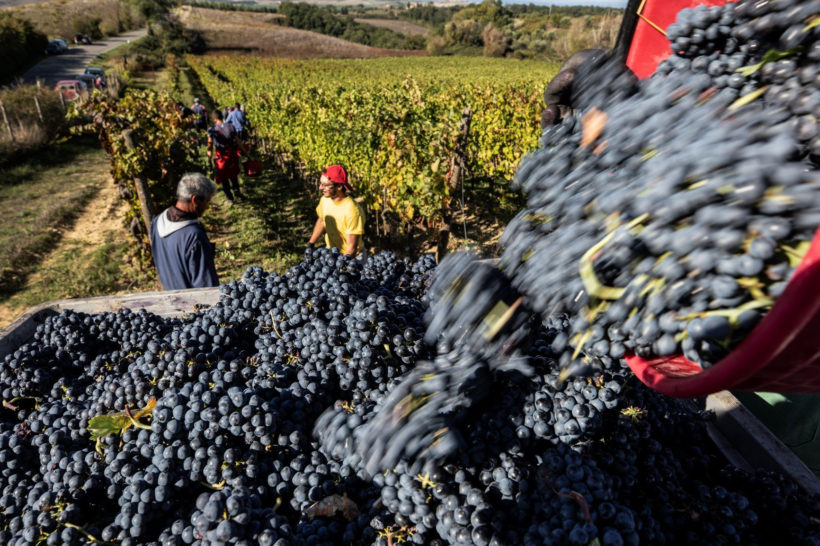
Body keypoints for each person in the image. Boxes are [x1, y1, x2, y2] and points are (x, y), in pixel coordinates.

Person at [150, 172, 219, 290]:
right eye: (207, 201)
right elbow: (206, 287)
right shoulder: (193, 236)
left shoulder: (157, 222)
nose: (207, 207)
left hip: (172, 300)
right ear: (195, 199)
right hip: (195, 304)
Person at [307, 165, 365, 257]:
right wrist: (311, 244)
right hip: (332, 252)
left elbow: (351, 249)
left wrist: (340, 265)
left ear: (339, 186)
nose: (320, 188)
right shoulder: (325, 200)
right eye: (321, 184)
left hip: (352, 257)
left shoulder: (352, 211)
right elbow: (322, 221)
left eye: (325, 185)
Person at [207, 109, 247, 204]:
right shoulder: (230, 126)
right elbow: (238, 141)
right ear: (222, 116)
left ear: (214, 119)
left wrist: (209, 158)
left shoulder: (211, 130)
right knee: (233, 173)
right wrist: (245, 151)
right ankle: (237, 192)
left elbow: (210, 145)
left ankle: (229, 198)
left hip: (221, 156)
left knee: (224, 176)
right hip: (231, 154)